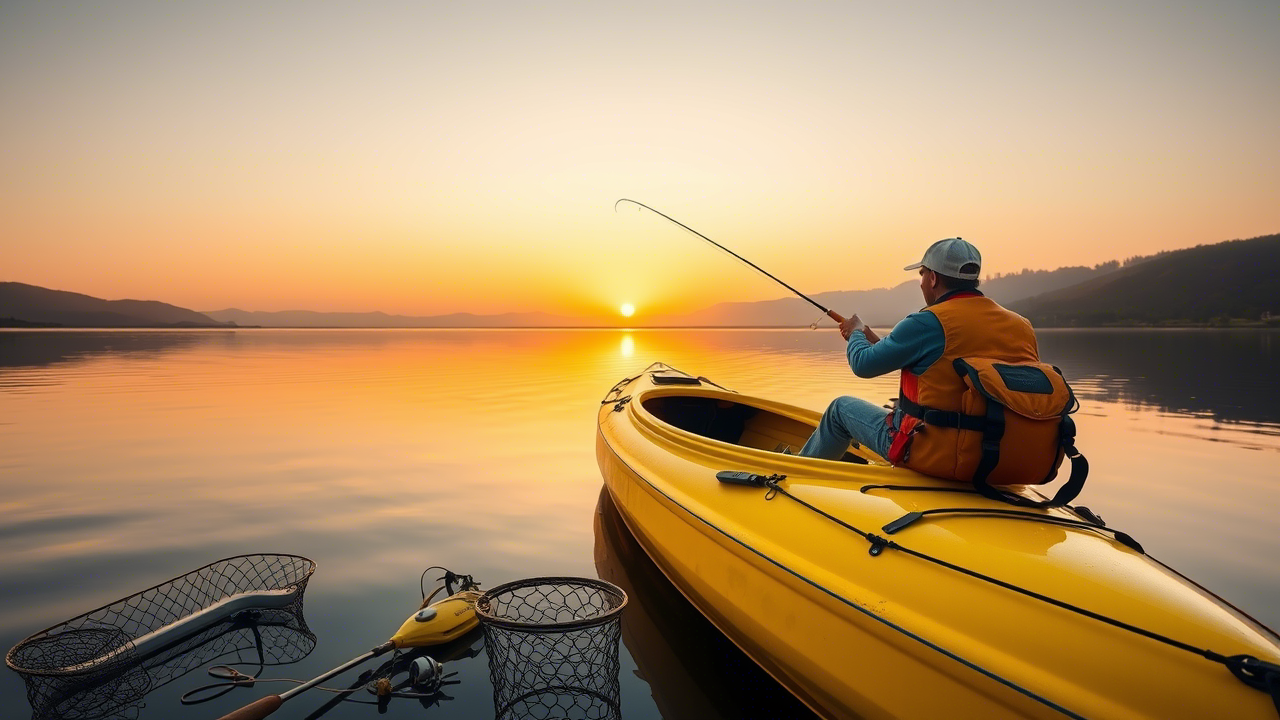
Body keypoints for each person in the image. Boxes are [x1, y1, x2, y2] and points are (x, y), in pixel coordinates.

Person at [798, 237, 1040, 478]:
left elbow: (863, 365)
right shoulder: (1021, 326)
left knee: (839, 409)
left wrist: (856, 335)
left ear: (933, 278)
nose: (922, 283)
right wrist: (869, 335)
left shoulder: (927, 321)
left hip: (934, 454)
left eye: (922, 274)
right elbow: (934, 359)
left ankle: (796, 478)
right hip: (1000, 455)